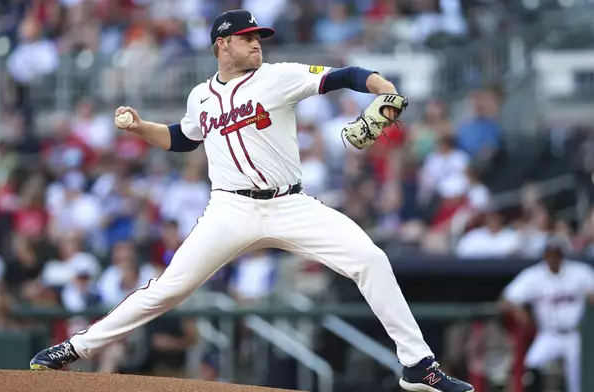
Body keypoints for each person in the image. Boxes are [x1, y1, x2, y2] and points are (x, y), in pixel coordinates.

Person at [30, 9, 474, 392]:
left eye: (259, 37)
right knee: (168, 288)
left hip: (291, 204)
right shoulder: (200, 95)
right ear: (222, 44)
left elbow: (344, 75)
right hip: (230, 210)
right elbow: (184, 138)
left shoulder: (278, 77)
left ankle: (418, 365)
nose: (258, 43)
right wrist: (140, 126)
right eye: (248, 38)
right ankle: (75, 347)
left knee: (371, 259)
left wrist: (382, 86)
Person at [500, 237, 594, 392]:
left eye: (556, 254)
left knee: (576, 382)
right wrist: (520, 312)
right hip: (549, 334)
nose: (553, 258)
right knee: (530, 366)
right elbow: (507, 297)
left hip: (574, 334)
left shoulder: (579, 272)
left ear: (562, 255)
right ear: (544, 256)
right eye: (549, 254)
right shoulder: (534, 275)